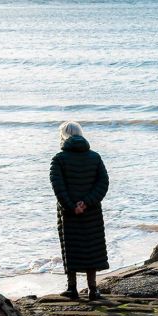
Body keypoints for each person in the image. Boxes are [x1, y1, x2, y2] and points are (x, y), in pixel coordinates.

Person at [49, 121, 110, 300]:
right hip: (91, 211)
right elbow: (103, 184)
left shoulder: (58, 159)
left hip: (68, 213)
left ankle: (72, 288)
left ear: (63, 136)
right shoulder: (95, 157)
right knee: (92, 247)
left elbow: (58, 187)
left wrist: (71, 206)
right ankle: (93, 289)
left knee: (71, 247)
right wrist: (87, 203)